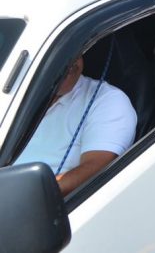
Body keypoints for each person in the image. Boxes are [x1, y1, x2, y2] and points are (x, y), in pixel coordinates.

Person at [15, 55, 137, 196]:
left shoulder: (108, 100)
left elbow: (96, 168)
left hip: (47, 204)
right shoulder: (13, 96)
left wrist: (26, 194)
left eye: (75, 53)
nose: (69, 63)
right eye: (57, 56)